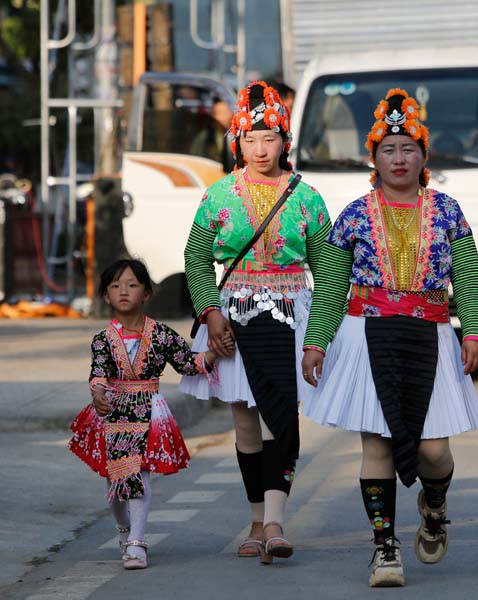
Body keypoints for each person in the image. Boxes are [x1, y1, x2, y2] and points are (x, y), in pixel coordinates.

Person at [301, 88, 478, 587]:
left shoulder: (447, 210)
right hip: (368, 334)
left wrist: (473, 333)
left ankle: (435, 504)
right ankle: (385, 549)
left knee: (433, 451)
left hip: (431, 333)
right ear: (374, 159)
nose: (398, 158)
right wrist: (317, 341)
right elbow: (332, 287)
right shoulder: (355, 215)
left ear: (424, 156)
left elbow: (467, 276)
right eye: (388, 149)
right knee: (377, 445)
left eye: (408, 148)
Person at [180, 80, 331, 563]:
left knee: (280, 415)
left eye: (269, 139)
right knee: (246, 423)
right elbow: (196, 257)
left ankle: (275, 521)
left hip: (291, 313)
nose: (260, 149)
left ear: (285, 140)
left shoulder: (308, 199)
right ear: (237, 143)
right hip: (233, 315)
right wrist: (211, 312)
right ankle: (254, 518)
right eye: (250, 140)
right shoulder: (217, 195)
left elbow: (329, 270)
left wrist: (320, 337)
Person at [69, 259, 218, 570]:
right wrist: (97, 393)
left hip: (148, 410)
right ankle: (124, 528)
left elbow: (187, 362)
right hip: (113, 410)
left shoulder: (162, 335)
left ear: (147, 293)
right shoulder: (102, 340)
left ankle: (137, 541)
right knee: (116, 482)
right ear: (105, 296)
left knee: (137, 474)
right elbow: (97, 372)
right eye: (115, 286)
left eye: (132, 285)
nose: (124, 291)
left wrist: (215, 351)